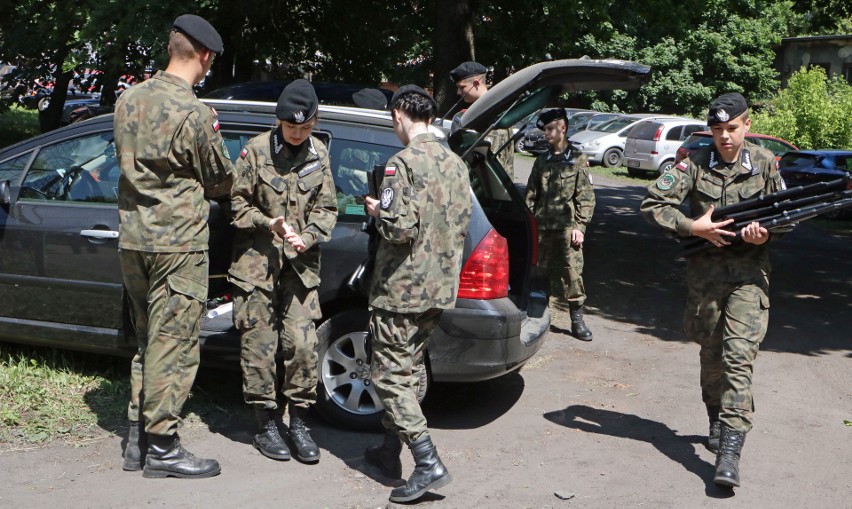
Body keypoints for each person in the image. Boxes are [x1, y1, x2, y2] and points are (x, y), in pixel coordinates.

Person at [639, 92, 791, 488]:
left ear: (747, 125)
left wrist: (766, 234)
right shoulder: (692, 164)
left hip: (748, 275)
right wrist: (693, 227)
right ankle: (714, 415)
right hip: (704, 278)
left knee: (739, 356)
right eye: (718, 130)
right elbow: (653, 203)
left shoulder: (763, 164)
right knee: (711, 351)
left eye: (732, 129)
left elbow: (786, 216)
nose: (725, 137)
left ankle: (729, 455)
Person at [115, 14, 233, 479]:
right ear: (204, 56)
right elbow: (221, 179)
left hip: (133, 240)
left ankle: (136, 439)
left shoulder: (127, 99)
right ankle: (163, 447)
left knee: (148, 342)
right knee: (176, 345)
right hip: (178, 245)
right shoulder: (194, 113)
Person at [362, 85, 472, 503]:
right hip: (439, 287)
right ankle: (389, 452)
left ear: (398, 116)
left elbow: (399, 229)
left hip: (400, 290)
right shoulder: (456, 163)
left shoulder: (402, 163)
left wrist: (378, 212)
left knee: (388, 376)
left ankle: (427, 461)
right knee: (405, 370)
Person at [229, 79, 338, 464]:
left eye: (305, 127)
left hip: (300, 268)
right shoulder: (256, 152)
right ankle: (265, 424)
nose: (297, 133)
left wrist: (307, 236)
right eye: (291, 127)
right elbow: (236, 205)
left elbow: (328, 209)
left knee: (303, 346)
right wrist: (268, 222)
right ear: (278, 122)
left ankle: (300, 423)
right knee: (259, 347)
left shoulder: (319, 153)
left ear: (314, 122)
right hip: (256, 267)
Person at [525, 108, 595, 341]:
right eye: (544, 130)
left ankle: (577, 321)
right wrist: (531, 221)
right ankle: (538, 316)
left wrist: (580, 227)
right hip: (543, 228)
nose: (545, 134)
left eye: (549, 129)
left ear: (562, 128)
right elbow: (531, 195)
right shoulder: (541, 160)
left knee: (573, 274)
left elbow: (585, 197)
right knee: (539, 273)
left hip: (568, 228)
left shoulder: (577, 160)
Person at [449, 61, 515, 180]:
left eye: (462, 87)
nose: (458, 92)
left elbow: (491, 169)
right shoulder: (478, 112)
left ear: (475, 83)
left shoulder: (493, 117)